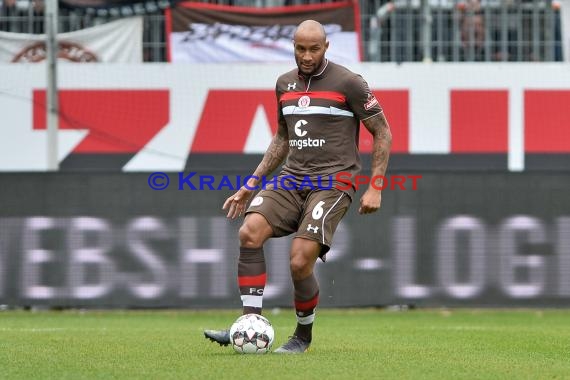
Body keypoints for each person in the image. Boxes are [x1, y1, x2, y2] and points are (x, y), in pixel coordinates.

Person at [204, 19, 392, 354]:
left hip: (333, 183)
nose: (306, 56)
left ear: (326, 47)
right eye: (300, 48)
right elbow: (282, 138)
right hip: (292, 178)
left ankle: (302, 337)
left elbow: (383, 131)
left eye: (313, 48)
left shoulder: (349, 82)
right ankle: (250, 325)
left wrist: (375, 186)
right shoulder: (284, 84)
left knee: (299, 260)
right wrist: (251, 183)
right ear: (293, 45)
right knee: (249, 232)